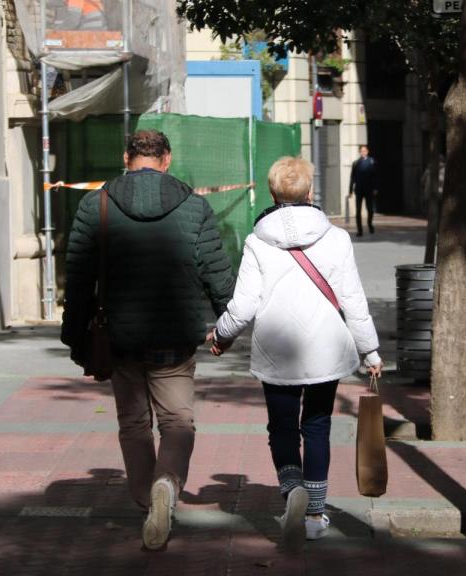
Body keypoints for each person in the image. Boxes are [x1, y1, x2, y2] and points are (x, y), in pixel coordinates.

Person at [61, 130, 235, 550]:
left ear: (126, 157)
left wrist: (76, 339)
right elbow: (217, 273)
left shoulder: (95, 205)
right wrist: (228, 325)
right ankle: (168, 485)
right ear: (167, 160)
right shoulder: (195, 208)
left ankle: (146, 500)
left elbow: (80, 278)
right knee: (178, 422)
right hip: (174, 336)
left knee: (134, 424)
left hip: (119, 336)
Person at [208, 157, 382, 550]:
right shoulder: (336, 238)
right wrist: (370, 351)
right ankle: (317, 515)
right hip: (326, 349)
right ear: (310, 192)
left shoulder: (257, 240)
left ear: (272, 194)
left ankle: (292, 490)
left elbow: (244, 303)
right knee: (317, 426)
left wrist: (221, 334)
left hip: (276, 350)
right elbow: (353, 299)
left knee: (282, 428)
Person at [349, 145, 378, 236]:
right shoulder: (356, 163)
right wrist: (350, 190)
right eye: (361, 151)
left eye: (364, 151)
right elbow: (352, 177)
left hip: (369, 189)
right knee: (358, 211)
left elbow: (376, 176)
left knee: (370, 209)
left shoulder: (372, 162)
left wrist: (376, 188)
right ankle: (359, 230)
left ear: (367, 151)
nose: (363, 152)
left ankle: (370, 224)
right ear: (359, 152)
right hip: (359, 190)